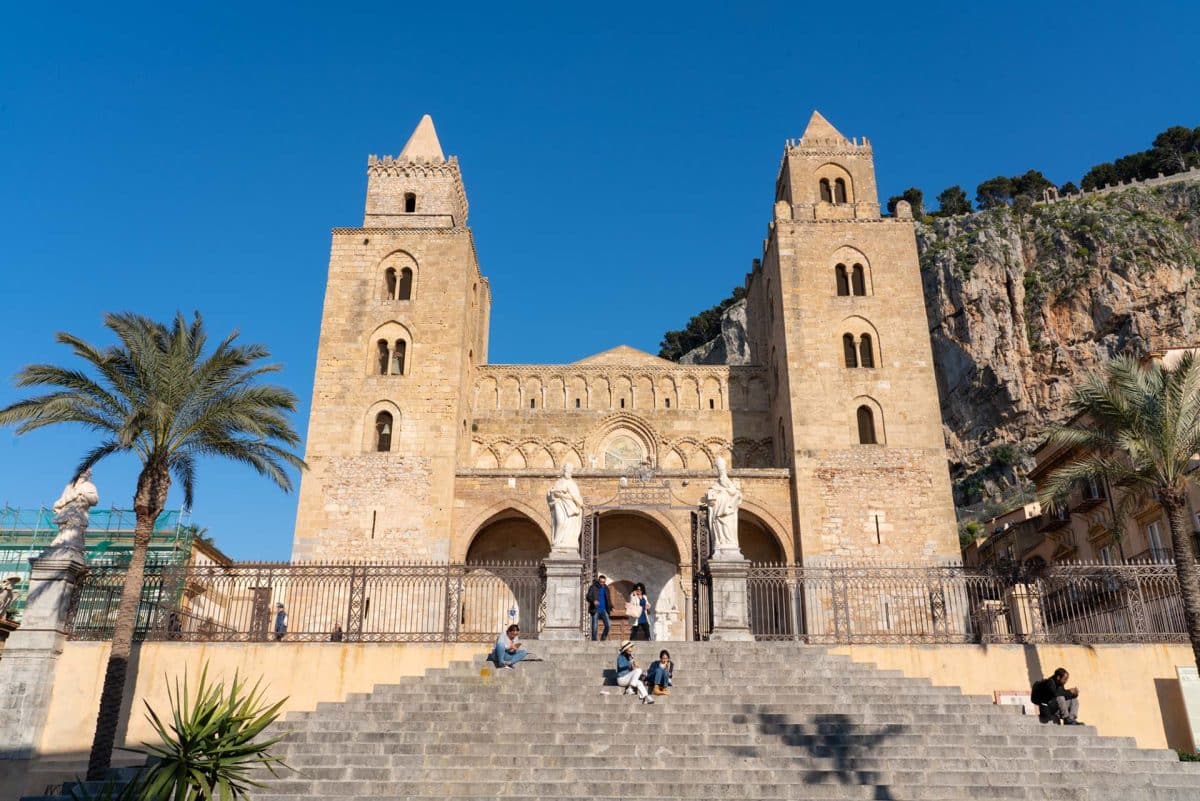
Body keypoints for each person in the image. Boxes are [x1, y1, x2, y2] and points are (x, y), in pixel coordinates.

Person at [616, 640, 654, 704]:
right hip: (621, 679)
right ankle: (630, 688)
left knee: (639, 682)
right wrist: (630, 663)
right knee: (639, 670)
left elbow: (631, 670)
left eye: (631, 647)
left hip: (628, 679)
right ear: (626, 649)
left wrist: (634, 667)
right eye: (630, 647)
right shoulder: (620, 657)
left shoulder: (629, 657)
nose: (632, 649)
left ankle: (646, 697)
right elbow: (620, 666)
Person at [586, 574, 613, 641]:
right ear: (598, 581)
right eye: (601, 582)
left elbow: (608, 599)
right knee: (594, 627)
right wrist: (593, 601)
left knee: (608, 625)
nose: (602, 583)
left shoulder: (606, 588)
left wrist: (611, 607)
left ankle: (603, 638)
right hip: (595, 609)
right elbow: (588, 597)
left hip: (604, 610)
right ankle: (594, 641)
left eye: (604, 582)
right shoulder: (593, 587)